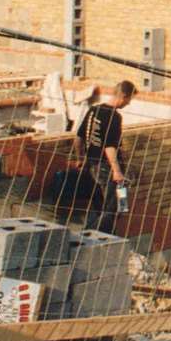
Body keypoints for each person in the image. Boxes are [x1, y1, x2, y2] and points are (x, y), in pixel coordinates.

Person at [69, 80, 135, 233]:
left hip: (92, 166)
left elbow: (78, 139)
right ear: (124, 96)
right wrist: (117, 171)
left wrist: (80, 158)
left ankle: (92, 231)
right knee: (115, 206)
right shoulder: (114, 116)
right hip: (108, 167)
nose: (129, 103)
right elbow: (109, 147)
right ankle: (102, 236)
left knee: (100, 203)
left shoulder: (94, 110)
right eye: (129, 99)